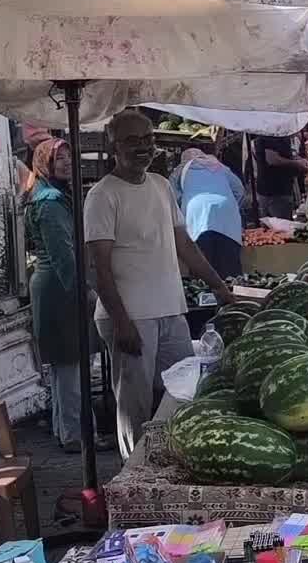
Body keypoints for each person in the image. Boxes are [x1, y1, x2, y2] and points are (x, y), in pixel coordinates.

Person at [86, 110, 235, 457]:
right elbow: (98, 267)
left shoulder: (161, 185)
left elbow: (186, 245)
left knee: (184, 393)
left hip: (171, 309)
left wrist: (219, 287)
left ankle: (170, 466)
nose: (143, 147)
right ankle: (132, 477)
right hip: (130, 318)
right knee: (134, 406)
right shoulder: (103, 195)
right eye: (133, 141)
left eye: (148, 139)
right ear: (114, 147)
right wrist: (121, 321)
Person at [23, 138, 95, 452]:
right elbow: (63, 255)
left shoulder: (48, 194)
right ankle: (75, 436)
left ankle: (64, 431)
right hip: (59, 287)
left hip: (52, 285)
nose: (66, 162)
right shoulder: (50, 202)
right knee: (69, 366)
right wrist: (85, 291)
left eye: (68, 156)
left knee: (64, 368)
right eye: (58, 158)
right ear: (43, 162)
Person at [172, 148, 248, 280]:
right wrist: (231, 208)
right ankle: (234, 296)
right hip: (226, 213)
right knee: (230, 266)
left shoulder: (180, 170)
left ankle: (206, 296)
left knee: (202, 266)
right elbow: (240, 190)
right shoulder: (219, 166)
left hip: (197, 215)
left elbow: (171, 196)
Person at [255, 132, 308, 220]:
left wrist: (298, 159)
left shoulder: (281, 135)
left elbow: (284, 155)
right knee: (280, 227)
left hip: (281, 190)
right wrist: (297, 163)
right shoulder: (269, 135)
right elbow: (272, 159)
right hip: (274, 192)